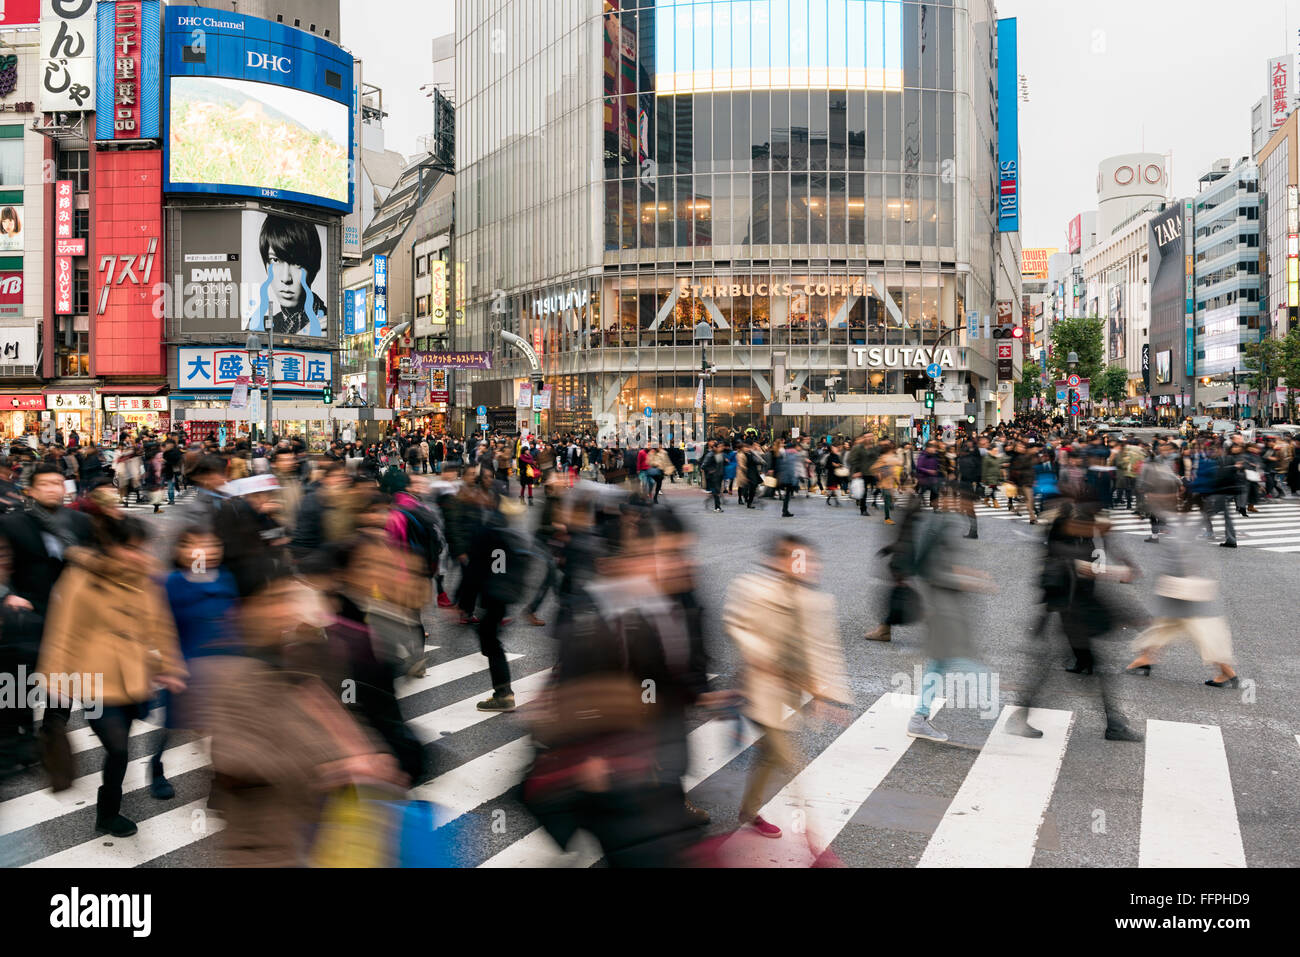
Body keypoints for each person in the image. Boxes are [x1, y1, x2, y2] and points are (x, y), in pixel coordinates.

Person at [37, 515, 187, 837]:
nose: (138, 555)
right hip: (93, 679)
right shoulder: (80, 578)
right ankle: (108, 812)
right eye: (129, 548)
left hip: (135, 677)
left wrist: (171, 668)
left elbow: (161, 626)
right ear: (110, 546)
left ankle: (108, 811)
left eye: (141, 548)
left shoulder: (147, 579)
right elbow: (62, 631)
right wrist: (55, 680)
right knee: (118, 748)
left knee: (121, 749)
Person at [722, 535, 851, 839]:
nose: (806, 566)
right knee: (791, 760)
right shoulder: (752, 589)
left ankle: (749, 811)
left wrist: (830, 696)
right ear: (777, 561)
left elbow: (825, 650)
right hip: (761, 687)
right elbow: (735, 624)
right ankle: (814, 841)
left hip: (792, 693)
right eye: (796, 559)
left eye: (809, 560)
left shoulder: (817, 602)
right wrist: (758, 652)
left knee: (768, 753)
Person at [0, 464, 95, 778]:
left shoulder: (80, 522)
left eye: (59, 483)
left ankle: (52, 731)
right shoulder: (13, 523)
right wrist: (7, 595)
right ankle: (21, 736)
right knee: (21, 682)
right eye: (46, 484)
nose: (54, 489)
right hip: (29, 614)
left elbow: (98, 560)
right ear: (31, 490)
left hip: (72, 617)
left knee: (64, 681)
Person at [250, 215, 328, 336]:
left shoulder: (328, 324)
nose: (286, 278)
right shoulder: (257, 326)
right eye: (275, 260)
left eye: (297, 263)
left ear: (313, 267)